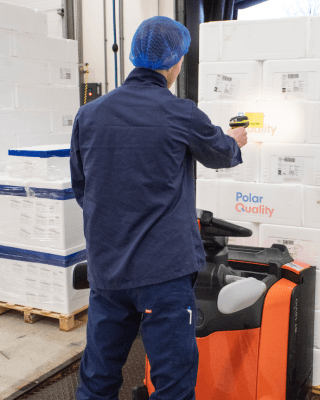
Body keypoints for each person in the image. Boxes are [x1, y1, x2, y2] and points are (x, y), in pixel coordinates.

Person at [71, 16, 248, 400]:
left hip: (107, 271)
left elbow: (82, 188)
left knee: (98, 378)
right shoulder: (181, 112)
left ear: (135, 56)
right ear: (174, 62)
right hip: (163, 275)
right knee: (172, 384)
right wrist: (236, 138)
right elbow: (221, 154)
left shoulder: (89, 114)